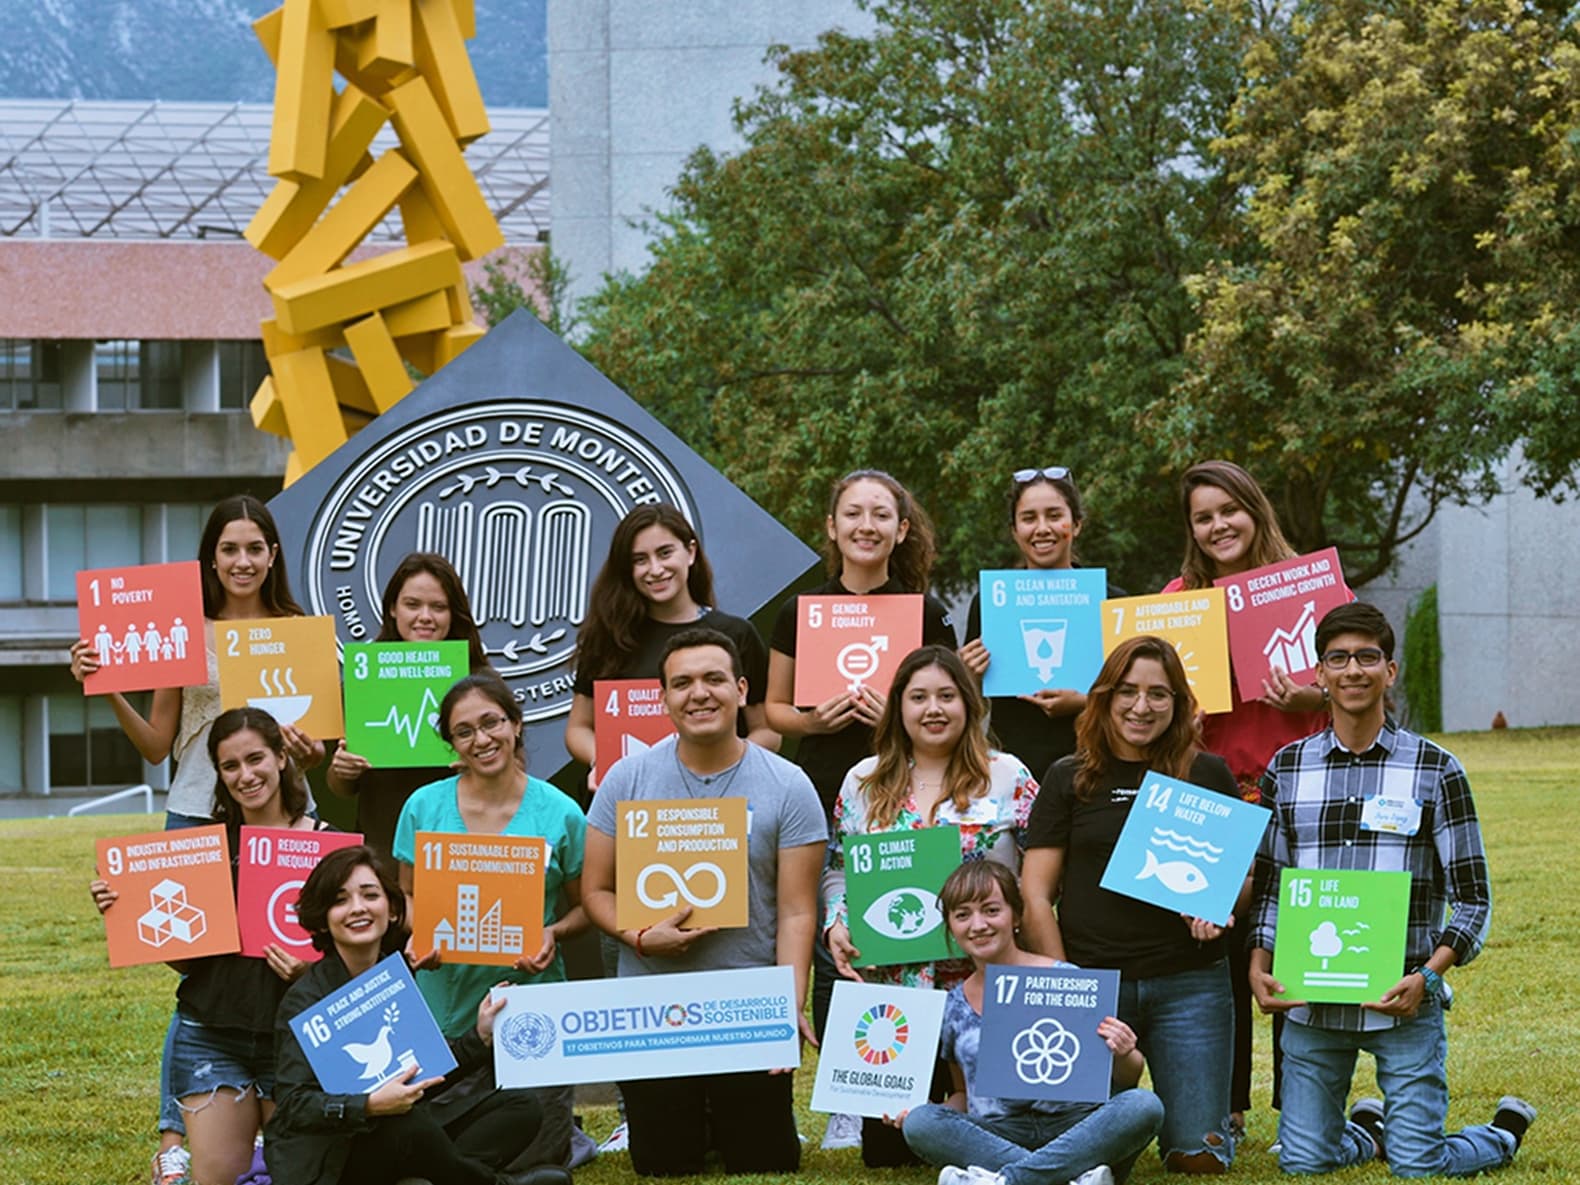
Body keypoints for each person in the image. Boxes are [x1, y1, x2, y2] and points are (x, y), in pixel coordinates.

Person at [70, 494, 326, 1184]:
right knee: (200, 973)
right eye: (229, 549)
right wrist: (107, 687)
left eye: (254, 547)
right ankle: (173, 1134)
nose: (242, 561)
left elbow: (324, 744)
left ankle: (274, 1106)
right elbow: (158, 745)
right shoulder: (184, 629)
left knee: (283, 959)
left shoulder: (300, 631)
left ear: (273, 554)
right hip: (196, 815)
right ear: (210, 559)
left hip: (280, 817)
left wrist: (315, 751)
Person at [1248, 603, 1535, 1176]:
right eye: (1338, 659)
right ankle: (1371, 1131)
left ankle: (1502, 1133)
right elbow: (1272, 881)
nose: (1353, 670)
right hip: (1312, 1002)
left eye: (1367, 657)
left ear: (1390, 671)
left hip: (1403, 997)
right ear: (1319, 674)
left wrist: (1428, 976)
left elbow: (1472, 897)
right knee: (1304, 1164)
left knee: (1418, 1166)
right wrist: (1258, 964)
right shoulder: (1287, 768)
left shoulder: (1436, 769)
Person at [582, 627, 827, 1176]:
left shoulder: (788, 785)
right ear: (664, 699)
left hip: (744, 1004)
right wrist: (638, 936)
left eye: (714, 679)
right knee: (664, 1163)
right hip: (653, 1005)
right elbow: (595, 890)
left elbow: (797, 911)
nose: (699, 694)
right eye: (683, 683)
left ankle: (728, 1114)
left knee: (764, 1160)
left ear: (741, 690)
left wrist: (786, 1006)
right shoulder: (628, 778)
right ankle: (696, 1115)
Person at [764, 468, 956, 1150]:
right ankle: (847, 1100)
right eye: (853, 513)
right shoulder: (800, 610)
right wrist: (814, 722)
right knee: (833, 937)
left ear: (901, 530)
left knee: (900, 932)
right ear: (832, 526)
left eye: (880, 514)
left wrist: (895, 719)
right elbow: (773, 708)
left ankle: (921, 1087)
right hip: (823, 789)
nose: (865, 525)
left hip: (904, 787)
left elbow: (945, 702)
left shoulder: (925, 611)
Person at [1020, 636, 1241, 1173]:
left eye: (1158, 693)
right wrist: (1065, 984)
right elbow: (1035, 894)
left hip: (1190, 985)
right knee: (1095, 1159)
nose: (1142, 706)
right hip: (1096, 985)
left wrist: (1218, 908)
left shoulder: (1206, 773)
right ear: (1104, 697)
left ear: (1179, 702)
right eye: (1128, 691)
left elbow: (1241, 878)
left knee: (1198, 1160)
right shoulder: (1068, 776)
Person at [90, 707, 328, 1185]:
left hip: (297, 1039)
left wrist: (310, 972)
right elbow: (187, 963)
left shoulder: (328, 847)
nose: (246, 776)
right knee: (218, 1178)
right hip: (212, 1033)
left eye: (255, 759)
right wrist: (129, 912)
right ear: (218, 775)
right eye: (230, 766)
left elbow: (356, 955)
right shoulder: (202, 850)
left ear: (282, 758)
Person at [822, 644, 1040, 1165]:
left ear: (969, 703)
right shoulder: (863, 780)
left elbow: (1042, 870)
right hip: (897, 993)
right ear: (898, 706)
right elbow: (837, 870)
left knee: (998, 1134)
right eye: (918, 697)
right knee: (891, 1152)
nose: (933, 709)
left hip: (986, 988)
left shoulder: (1007, 775)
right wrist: (837, 922)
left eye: (947, 695)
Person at [1164, 460, 1329, 1131]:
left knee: (1300, 947)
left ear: (1255, 510)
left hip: (1297, 791)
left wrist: (1313, 694)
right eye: (1203, 517)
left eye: (1229, 510)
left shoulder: (1307, 589)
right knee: (1215, 952)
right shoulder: (1179, 599)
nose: (1218, 526)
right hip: (1213, 793)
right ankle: (1225, 1105)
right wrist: (1180, 716)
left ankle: (1303, 1106)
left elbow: (1361, 678)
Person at [266, 845, 572, 1185]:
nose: (358, 908)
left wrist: (479, 1037)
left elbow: (425, 1071)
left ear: (392, 910)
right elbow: (293, 1105)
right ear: (322, 919)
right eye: (340, 900)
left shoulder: (393, 977)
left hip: (401, 1131)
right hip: (334, 1156)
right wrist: (367, 1105)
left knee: (520, 1106)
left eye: (370, 895)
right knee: (408, 1124)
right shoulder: (306, 999)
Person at [393, 672, 589, 1169]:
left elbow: (588, 905)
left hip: (532, 1004)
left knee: (536, 1162)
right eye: (464, 731)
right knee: (445, 1159)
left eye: (491, 723)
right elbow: (406, 894)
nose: (481, 739)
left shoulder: (561, 812)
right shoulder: (423, 807)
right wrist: (419, 932)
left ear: (516, 724)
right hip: (446, 1009)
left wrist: (553, 931)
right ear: (451, 743)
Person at [903, 861, 1165, 1185]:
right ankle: (1072, 1178)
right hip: (999, 1134)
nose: (978, 925)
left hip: (1076, 1128)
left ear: (1015, 916)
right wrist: (930, 1112)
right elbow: (962, 1093)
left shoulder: (1065, 979)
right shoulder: (954, 1006)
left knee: (1143, 1105)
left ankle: (1004, 1181)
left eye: (991, 910)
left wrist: (1124, 1051)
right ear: (951, 927)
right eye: (963, 915)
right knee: (920, 1122)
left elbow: (1129, 1077)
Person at [565, 505, 779, 789]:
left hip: (718, 800)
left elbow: (767, 731)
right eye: (640, 560)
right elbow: (578, 728)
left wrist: (725, 771)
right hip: (631, 797)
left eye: (665, 553)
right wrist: (604, 761)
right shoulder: (608, 638)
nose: (655, 570)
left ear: (690, 552)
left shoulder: (737, 634)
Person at [960, 467, 1126, 779]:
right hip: (1012, 772)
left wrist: (1085, 702)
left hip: (1096, 767)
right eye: (1029, 518)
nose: (1042, 528)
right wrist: (967, 674)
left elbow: (1132, 694)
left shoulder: (1111, 601)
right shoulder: (991, 603)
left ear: (1076, 524)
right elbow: (971, 704)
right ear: (1014, 530)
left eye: (1054, 516)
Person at [327, 553, 490, 859]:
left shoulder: (481, 682)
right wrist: (343, 770)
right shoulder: (365, 678)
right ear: (392, 608)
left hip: (462, 849)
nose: (425, 616)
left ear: (453, 613)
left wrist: (483, 765)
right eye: (412, 605)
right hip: (383, 850)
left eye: (438, 607)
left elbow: (517, 766)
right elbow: (342, 788)